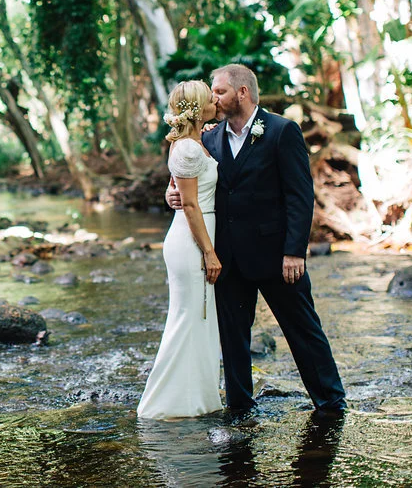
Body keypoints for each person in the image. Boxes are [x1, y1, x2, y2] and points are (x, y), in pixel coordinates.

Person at [166, 64, 346, 413]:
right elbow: (188, 184)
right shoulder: (209, 138)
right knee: (233, 338)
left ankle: (331, 402)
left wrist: (295, 251)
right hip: (226, 257)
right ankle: (240, 408)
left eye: (219, 92)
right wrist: (171, 198)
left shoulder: (281, 131)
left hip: (276, 256)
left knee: (303, 330)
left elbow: (300, 195)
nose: (213, 99)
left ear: (242, 93)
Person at [138, 80, 223, 420]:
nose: (215, 101)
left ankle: (197, 399)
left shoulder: (196, 142)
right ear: (198, 108)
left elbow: (177, 191)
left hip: (196, 235)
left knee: (198, 318)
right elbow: (188, 204)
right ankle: (167, 404)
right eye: (210, 98)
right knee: (190, 316)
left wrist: (168, 194)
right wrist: (209, 252)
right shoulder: (187, 148)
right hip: (192, 241)